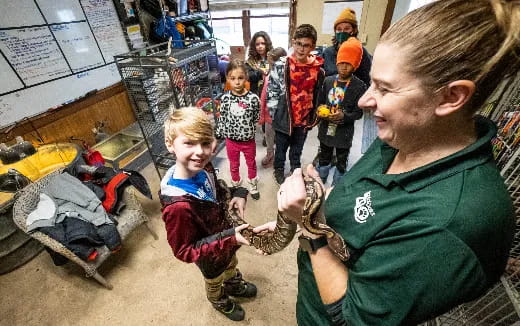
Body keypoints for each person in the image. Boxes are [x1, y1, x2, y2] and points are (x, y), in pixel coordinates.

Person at [255, 0, 518, 324]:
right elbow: (358, 217)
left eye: (385, 88)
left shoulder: (451, 223)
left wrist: (311, 230)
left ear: (451, 97)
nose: (365, 100)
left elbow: (354, 319)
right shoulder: (403, 136)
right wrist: (305, 213)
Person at [160, 107, 257, 322]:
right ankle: (219, 299)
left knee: (231, 265)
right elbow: (184, 250)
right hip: (210, 258)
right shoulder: (178, 207)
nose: (200, 151)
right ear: (170, 144)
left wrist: (238, 193)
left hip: (226, 240)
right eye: (189, 143)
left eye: (205, 143)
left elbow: (217, 191)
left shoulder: (203, 167)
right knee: (215, 280)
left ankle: (233, 284)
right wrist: (229, 238)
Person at [267, 24, 325, 185]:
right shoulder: (281, 65)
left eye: (306, 45)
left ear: (312, 46)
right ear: (293, 42)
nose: (301, 49)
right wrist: (274, 115)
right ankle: (278, 169)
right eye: (298, 43)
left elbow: (318, 94)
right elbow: (272, 91)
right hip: (284, 118)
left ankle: (295, 168)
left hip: (304, 119)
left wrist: (314, 119)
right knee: (281, 149)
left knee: (297, 149)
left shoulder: (318, 70)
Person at [316, 37, 365, 186]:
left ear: (355, 65)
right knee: (324, 156)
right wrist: (320, 111)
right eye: (341, 62)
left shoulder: (359, 86)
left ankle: (337, 186)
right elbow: (319, 103)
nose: (344, 67)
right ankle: (320, 181)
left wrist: (344, 116)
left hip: (344, 133)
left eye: (348, 64)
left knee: (341, 160)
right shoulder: (328, 81)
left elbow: (359, 113)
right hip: (326, 130)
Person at [216, 59, 261, 200]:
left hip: (248, 141)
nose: (237, 82)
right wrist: (219, 133)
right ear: (227, 78)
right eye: (232, 78)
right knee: (234, 164)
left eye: (240, 78)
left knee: (251, 163)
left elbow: (256, 117)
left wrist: (248, 130)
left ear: (246, 77)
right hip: (231, 141)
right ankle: (236, 185)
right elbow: (222, 118)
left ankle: (253, 185)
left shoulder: (253, 99)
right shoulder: (225, 99)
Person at [322, 8, 371, 86]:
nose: (342, 32)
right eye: (339, 29)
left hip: (351, 94)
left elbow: (367, 81)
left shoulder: (361, 52)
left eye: (347, 29)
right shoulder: (328, 52)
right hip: (330, 93)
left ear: (354, 30)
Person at [259, 47, 287, 168]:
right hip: (268, 114)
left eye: (272, 62)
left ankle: (280, 158)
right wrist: (262, 115)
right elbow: (264, 95)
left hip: (280, 115)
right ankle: (270, 153)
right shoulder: (268, 74)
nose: (269, 64)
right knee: (269, 136)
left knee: (280, 138)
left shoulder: (285, 76)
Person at [246, 31, 273, 95]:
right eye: (257, 44)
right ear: (254, 46)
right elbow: (248, 77)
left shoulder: (273, 59)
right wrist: (260, 72)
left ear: (267, 44)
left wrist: (260, 68)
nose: (260, 46)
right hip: (255, 95)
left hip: (271, 95)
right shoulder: (250, 61)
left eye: (263, 43)